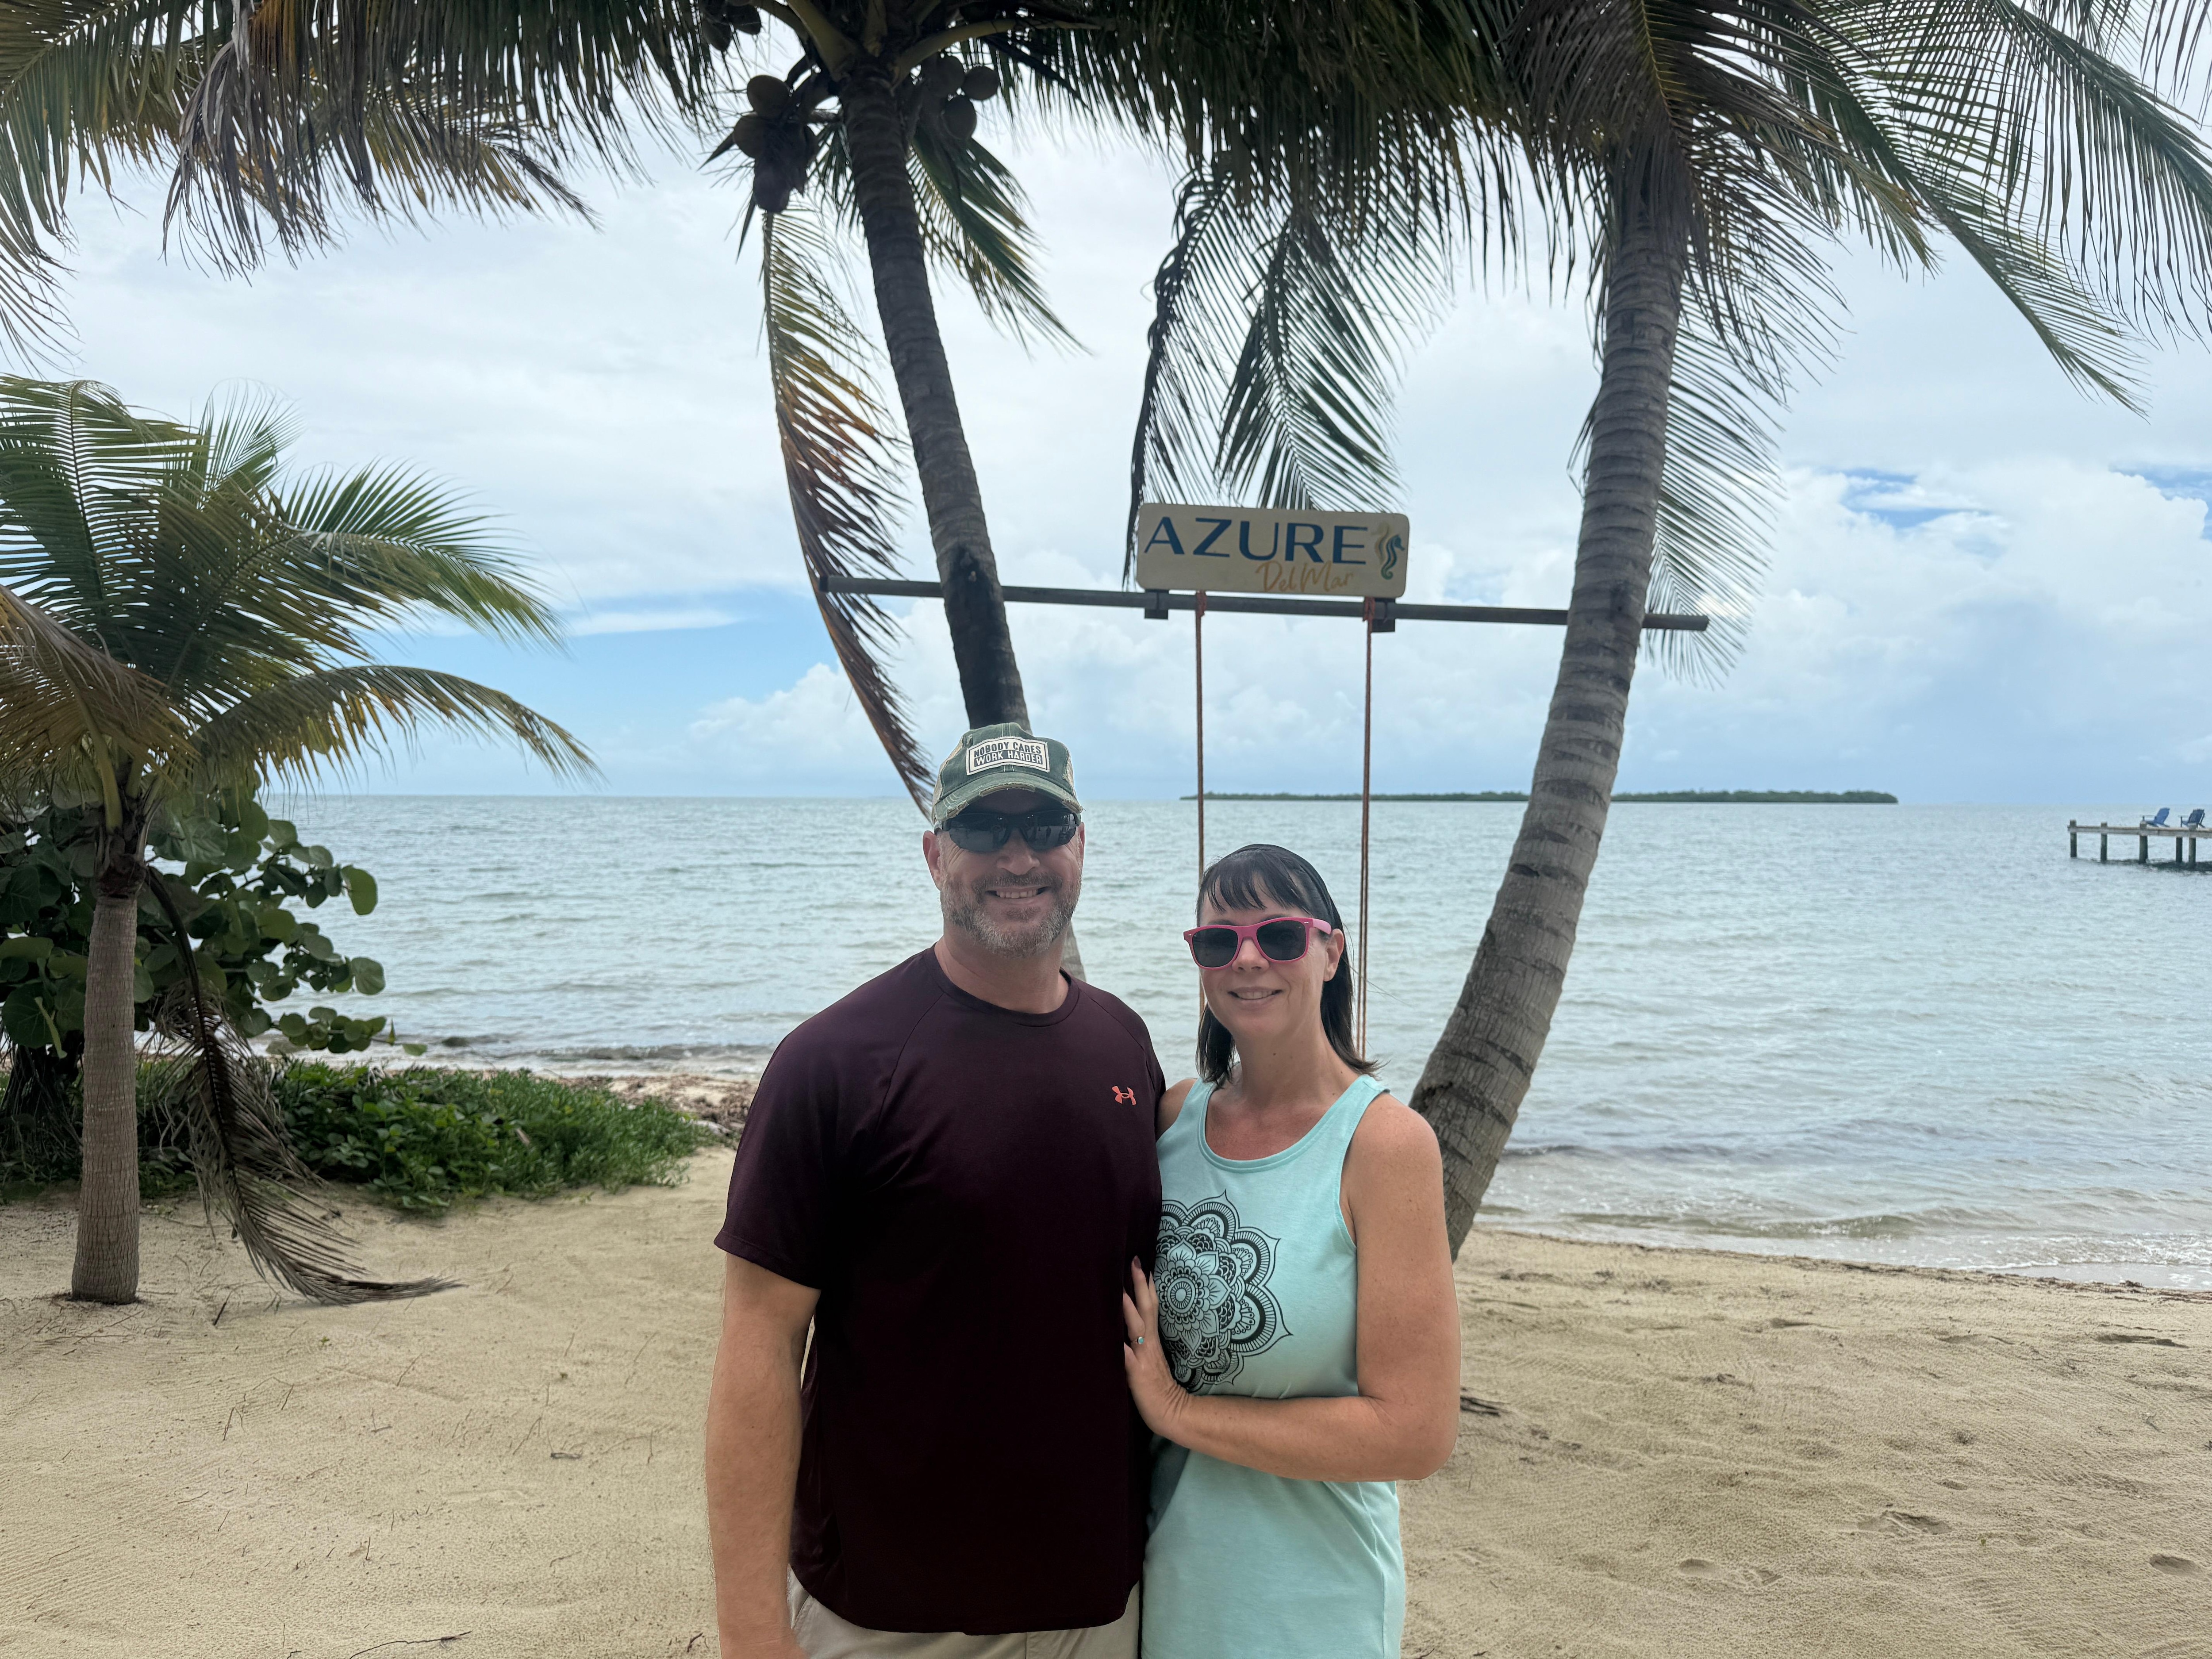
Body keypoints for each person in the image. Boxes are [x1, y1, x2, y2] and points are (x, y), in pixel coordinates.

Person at [705, 722, 1163, 1659]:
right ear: (934, 855)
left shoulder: (1123, 1042)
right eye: (983, 831)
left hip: (1099, 1602)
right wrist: (753, 1632)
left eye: (1043, 825)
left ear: (1081, 846)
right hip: (893, 1615)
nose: (1018, 856)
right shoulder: (832, 1064)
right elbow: (759, 1349)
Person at [1121, 843, 1462, 1659]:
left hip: (1311, 1599)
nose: (1247, 959)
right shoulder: (1171, 1120)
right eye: (1217, 940)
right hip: (1163, 1587)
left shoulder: (1384, 1145)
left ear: (1331, 950)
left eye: (1278, 936)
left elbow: (1415, 1432)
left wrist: (1180, 1411)